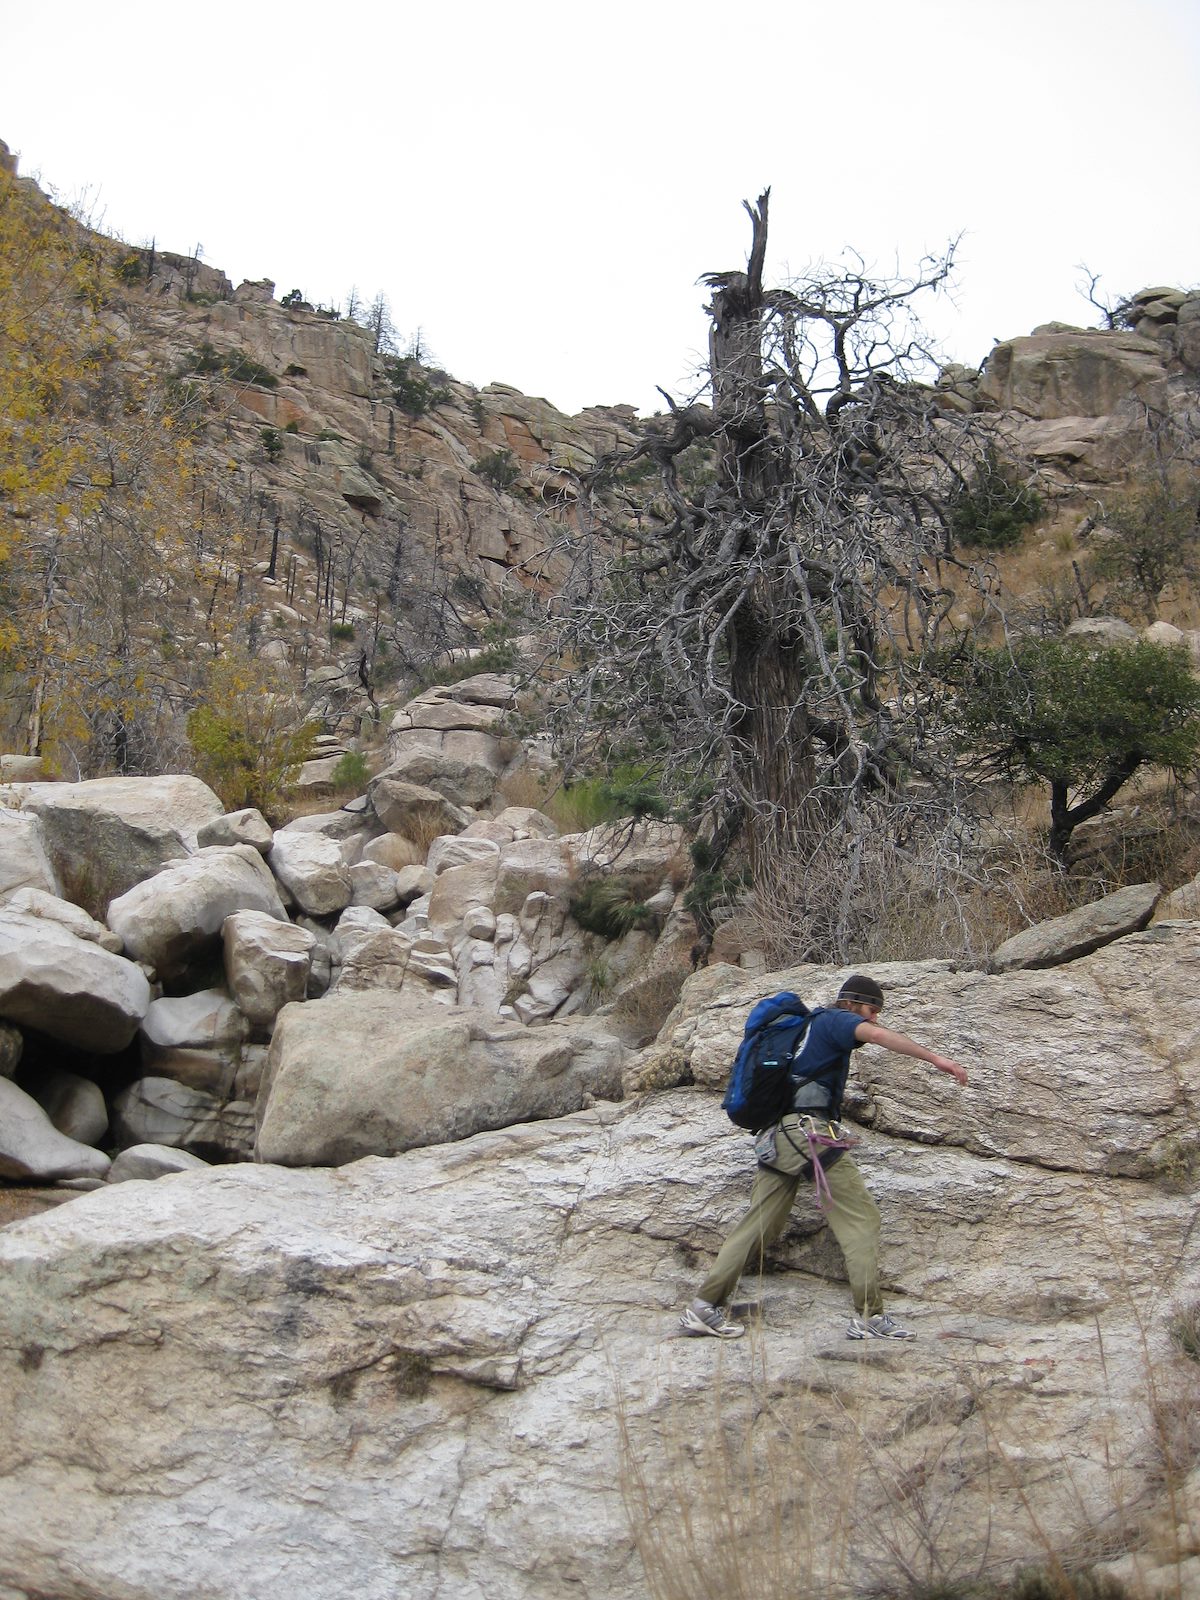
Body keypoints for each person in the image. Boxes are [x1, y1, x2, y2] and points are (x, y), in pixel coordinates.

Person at [679, 974, 968, 1341]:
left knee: (759, 1225)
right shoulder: (836, 1020)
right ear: (854, 1003)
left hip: (778, 1137)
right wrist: (937, 1059)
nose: (873, 1019)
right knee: (862, 1218)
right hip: (810, 1135)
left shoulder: (804, 1030)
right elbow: (877, 1036)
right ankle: (869, 1316)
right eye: (872, 1010)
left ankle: (704, 1306)